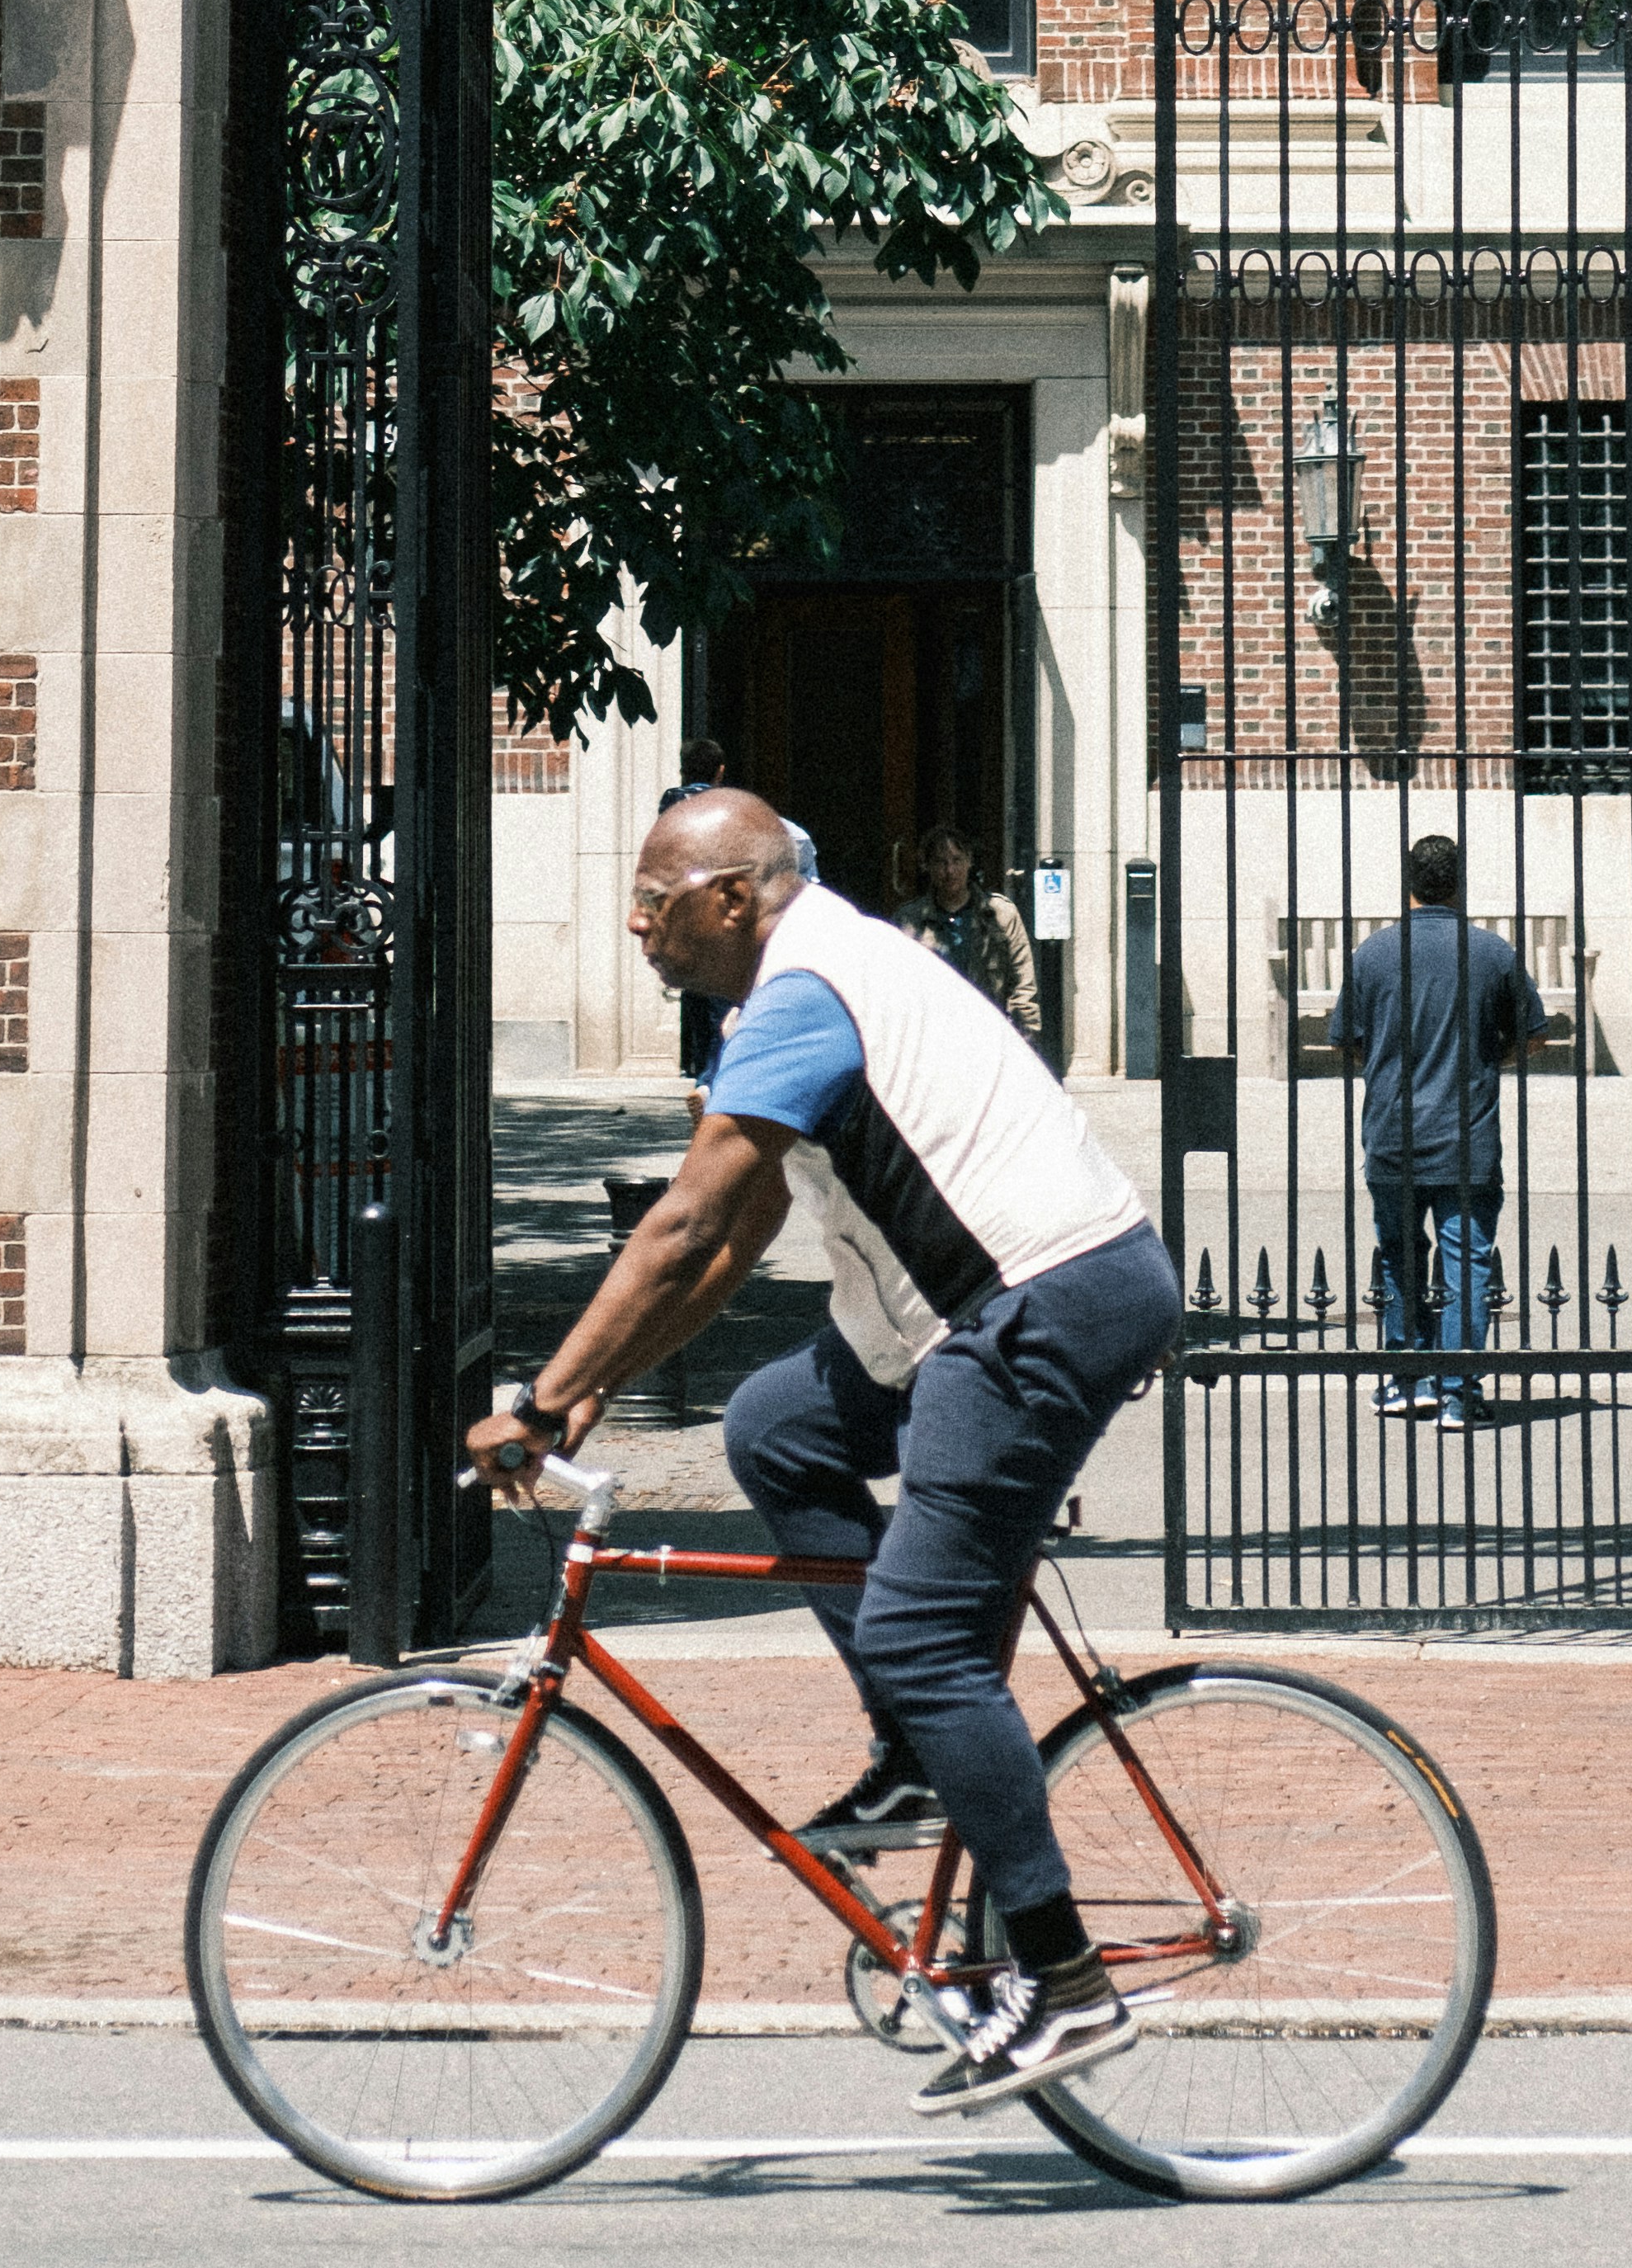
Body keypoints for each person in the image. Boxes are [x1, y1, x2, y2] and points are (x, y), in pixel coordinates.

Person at [469, 780, 1178, 2116]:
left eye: (652, 894)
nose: (632, 919)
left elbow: (680, 1225)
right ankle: (921, 1750)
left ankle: (1062, 1973)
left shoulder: (809, 986)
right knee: (772, 1425)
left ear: (729, 895)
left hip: (1039, 1301)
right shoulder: (782, 995)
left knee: (918, 1629)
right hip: (969, 1313)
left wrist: (540, 1389)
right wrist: (586, 1392)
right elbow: (731, 1237)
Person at [1333, 830, 1550, 1422]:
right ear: (1457, 883)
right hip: (1466, 1134)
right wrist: (1488, 1058)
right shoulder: (1490, 952)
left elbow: (1348, 1040)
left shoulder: (1372, 953)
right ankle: (1458, 1390)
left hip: (1391, 1133)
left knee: (1399, 1255)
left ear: (1408, 882)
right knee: (1466, 1261)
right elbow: (1533, 1032)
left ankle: (1406, 1378)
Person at [898, 823, 1041, 1052]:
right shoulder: (909, 920)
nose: (950, 870)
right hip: (933, 1043)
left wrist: (1024, 1040)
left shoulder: (1001, 914)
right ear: (927, 866)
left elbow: (1023, 982)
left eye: (956, 860)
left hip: (989, 1039)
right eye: (941, 862)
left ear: (969, 861)